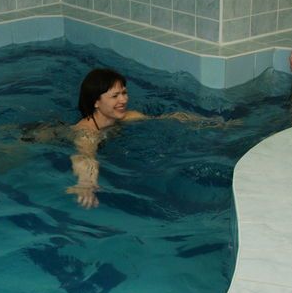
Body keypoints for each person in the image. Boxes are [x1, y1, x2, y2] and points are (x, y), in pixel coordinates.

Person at [68, 68, 227, 208]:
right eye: (115, 96)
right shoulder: (87, 132)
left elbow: (169, 117)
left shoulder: (126, 117)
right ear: (96, 102)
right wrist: (86, 183)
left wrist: (211, 123)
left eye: (124, 93)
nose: (123, 100)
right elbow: (85, 156)